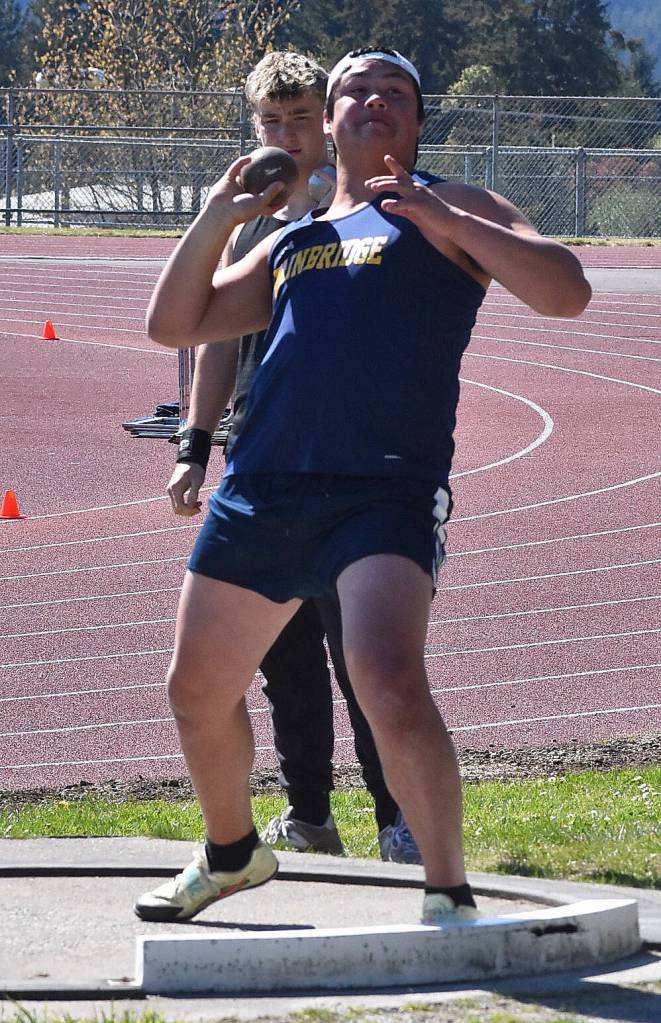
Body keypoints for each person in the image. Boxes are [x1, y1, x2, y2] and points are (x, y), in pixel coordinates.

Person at [136, 46, 591, 925]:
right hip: (264, 486)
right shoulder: (294, 237)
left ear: (415, 122)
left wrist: (438, 215)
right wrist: (213, 217)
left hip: (381, 488)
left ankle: (447, 891)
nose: (374, 101)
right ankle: (232, 851)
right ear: (331, 124)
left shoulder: (453, 206)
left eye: (395, 93)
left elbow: (564, 292)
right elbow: (174, 326)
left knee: (386, 677)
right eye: (356, 93)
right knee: (195, 688)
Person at [167, 51, 418, 863]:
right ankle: (309, 813)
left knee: (366, 663)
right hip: (258, 459)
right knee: (284, 671)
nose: (287, 135)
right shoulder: (251, 220)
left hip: (349, 467)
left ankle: (400, 820)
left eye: (302, 118)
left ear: (330, 119)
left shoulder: (362, 214)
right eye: (270, 122)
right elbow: (207, 341)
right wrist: (195, 443)